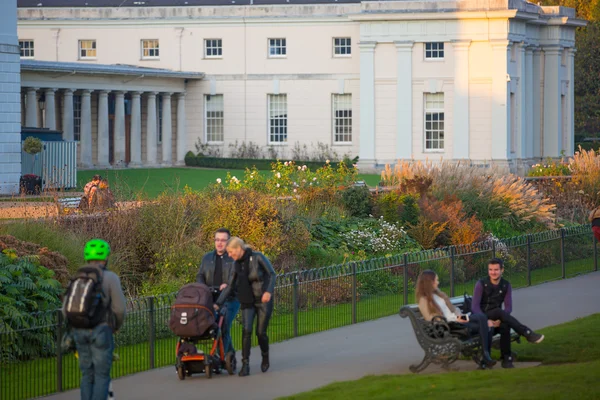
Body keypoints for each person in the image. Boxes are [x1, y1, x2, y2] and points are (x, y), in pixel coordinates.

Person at [64, 239, 126, 400]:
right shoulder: (110, 277)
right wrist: (115, 326)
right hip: (100, 330)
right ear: (106, 257)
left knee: (87, 375)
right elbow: (119, 309)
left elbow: (65, 309)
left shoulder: (77, 277)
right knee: (101, 376)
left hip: (79, 331)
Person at [214, 237, 276, 377]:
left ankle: (265, 355)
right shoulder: (236, 265)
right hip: (248, 301)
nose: (229, 255)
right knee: (246, 331)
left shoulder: (257, 257)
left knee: (260, 333)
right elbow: (230, 286)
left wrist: (268, 291)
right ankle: (245, 364)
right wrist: (217, 304)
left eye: (230, 252)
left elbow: (272, 274)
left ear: (238, 249)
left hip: (263, 300)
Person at [472, 258, 544, 369]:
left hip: (497, 318)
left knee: (505, 324)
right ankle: (526, 332)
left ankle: (506, 360)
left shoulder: (506, 285)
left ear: (502, 270)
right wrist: (486, 321)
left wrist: (500, 320)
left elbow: (508, 307)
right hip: (481, 319)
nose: (493, 272)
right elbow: (475, 307)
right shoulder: (481, 284)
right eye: (490, 269)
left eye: (496, 269)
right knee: (497, 312)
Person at [416, 270, 496, 367]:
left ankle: (486, 356)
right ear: (429, 282)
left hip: (456, 320)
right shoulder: (423, 300)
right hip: (450, 326)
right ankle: (486, 356)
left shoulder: (438, 295)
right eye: (436, 280)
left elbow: (453, 310)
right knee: (483, 319)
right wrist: (456, 318)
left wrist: (459, 316)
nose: (438, 282)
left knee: (486, 322)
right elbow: (430, 319)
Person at [196, 228, 240, 367]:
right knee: (213, 327)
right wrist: (203, 289)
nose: (219, 243)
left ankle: (218, 358)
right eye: (217, 240)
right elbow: (200, 275)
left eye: (223, 240)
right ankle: (229, 356)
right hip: (211, 297)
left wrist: (218, 303)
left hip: (230, 299)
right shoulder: (207, 258)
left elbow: (231, 285)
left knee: (224, 326)